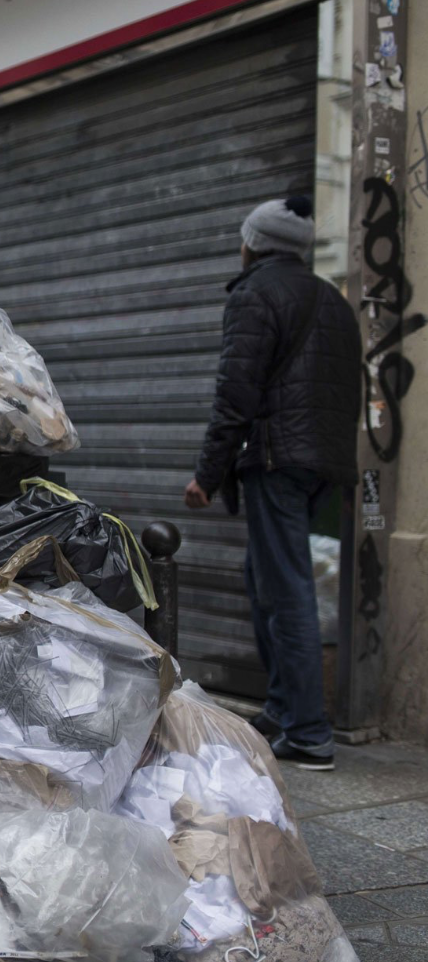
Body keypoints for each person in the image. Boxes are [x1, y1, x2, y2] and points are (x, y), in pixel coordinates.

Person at [184, 195, 360, 772]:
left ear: (252, 243)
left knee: (285, 590)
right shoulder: (334, 300)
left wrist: (207, 475)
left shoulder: (256, 293)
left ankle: (309, 732)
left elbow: (236, 391)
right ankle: (283, 709)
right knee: (265, 578)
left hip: (279, 460)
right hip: (322, 464)